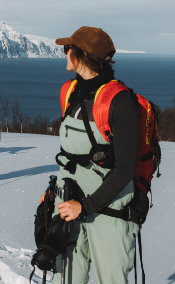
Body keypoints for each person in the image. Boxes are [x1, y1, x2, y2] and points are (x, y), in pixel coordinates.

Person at [42, 26, 140, 284]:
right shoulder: (70, 92)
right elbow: (71, 152)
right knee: (67, 277)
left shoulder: (118, 101)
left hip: (109, 208)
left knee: (111, 279)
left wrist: (85, 207)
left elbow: (126, 167)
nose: (64, 54)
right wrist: (56, 191)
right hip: (69, 199)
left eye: (67, 49)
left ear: (81, 54)